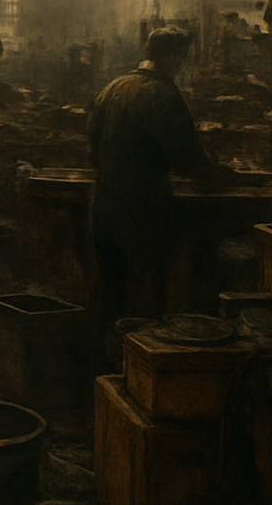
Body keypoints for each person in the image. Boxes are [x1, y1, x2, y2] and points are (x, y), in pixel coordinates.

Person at [86, 27, 249, 354]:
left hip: (103, 209)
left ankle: (107, 363)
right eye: (182, 58)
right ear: (173, 57)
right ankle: (142, 371)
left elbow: (92, 150)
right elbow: (190, 163)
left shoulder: (112, 87)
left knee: (111, 294)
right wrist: (232, 176)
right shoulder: (163, 95)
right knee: (147, 302)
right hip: (143, 213)